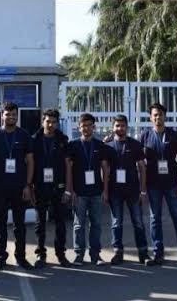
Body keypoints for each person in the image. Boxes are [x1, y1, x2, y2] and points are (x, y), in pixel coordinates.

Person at [140, 103, 177, 266]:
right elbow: (139, 163)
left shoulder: (173, 135)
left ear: (165, 116)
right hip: (153, 185)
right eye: (155, 115)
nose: (158, 117)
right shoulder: (145, 136)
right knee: (155, 219)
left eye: (161, 114)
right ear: (150, 118)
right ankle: (158, 254)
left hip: (172, 184)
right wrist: (143, 189)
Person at [0, 101, 35, 271]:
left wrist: (28, 185)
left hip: (19, 186)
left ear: (17, 116)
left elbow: (30, 161)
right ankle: (1, 257)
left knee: (19, 224)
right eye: (8, 114)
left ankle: (20, 257)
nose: (11, 117)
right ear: (2, 116)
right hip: (0, 186)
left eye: (14, 114)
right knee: (0, 223)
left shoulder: (24, 136)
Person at [105, 115, 153, 266]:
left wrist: (143, 191)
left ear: (127, 127)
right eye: (117, 125)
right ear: (113, 127)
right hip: (114, 191)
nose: (120, 128)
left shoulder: (135, 145)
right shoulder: (108, 146)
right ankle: (118, 253)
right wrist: (105, 191)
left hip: (133, 190)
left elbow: (142, 168)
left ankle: (143, 253)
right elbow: (104, 170)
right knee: (116, 223)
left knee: (138, 222)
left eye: (123, 125)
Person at [66, 113, 110, 266]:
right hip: (79, 192)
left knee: (96, 224)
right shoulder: (73, 145)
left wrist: (105, 190)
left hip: (97, 192)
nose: (86, 128)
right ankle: (79, 255)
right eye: (83, 125)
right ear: (79, 128)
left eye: (89, 125)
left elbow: (105, 168)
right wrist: (71, 190)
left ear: (94, 127)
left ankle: (95, 255)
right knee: (79, 225)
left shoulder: (99, 145)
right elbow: (69, 169)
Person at [31, 108, 71, 268]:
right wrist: (30, 185)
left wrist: (68, 189)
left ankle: (61, 254)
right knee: (40, 223)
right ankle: (41, 254)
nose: (51, 124)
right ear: (43, 121)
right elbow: (30, 164)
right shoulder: (34, 140)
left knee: (60, 222)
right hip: (40, 186)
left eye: (54, 122)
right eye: (48, 121)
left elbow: (68, 166)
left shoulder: (63, 140)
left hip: (58, 187)